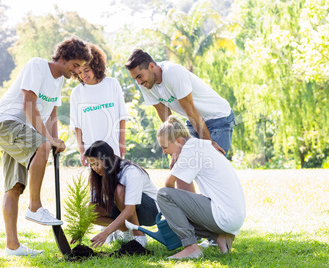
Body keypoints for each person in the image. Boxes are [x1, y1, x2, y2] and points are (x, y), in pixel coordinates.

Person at [0, 36, 92, 256]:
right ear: (63, 57)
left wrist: (56, 140)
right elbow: (28, 104)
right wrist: (48, 142)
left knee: (14, 186)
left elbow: (51, 113)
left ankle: (12, 247)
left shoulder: (59, 81)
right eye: (75, 66)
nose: (76, 72)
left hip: (23, 132)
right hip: (6, 123)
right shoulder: (37, 65)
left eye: (80, 68)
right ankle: (35, 207)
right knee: (42, 146)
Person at [125, 49, 236, 193]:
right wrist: (174, 151)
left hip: (218, 118)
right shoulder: (147, 84)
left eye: (140, 76)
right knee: (181, 170)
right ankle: (190, 212)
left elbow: (190, 110)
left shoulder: (172, 73)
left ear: (152, 66)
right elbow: (166, 117)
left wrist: (208, 144)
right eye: (136, 79)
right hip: (193, 121)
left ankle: (219, 212)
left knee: (212, 169)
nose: (139, 82)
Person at [155, 115, 246, 259]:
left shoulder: (190, 151)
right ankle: (220, 237)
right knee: (177, 204)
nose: (164, 152)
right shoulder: (199, 145)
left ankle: (191, 248)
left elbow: (168, 185)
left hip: (224, 216)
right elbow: (187, 196)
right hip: (233, 217)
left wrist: (172, 213)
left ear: (179, 141)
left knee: (163, 195)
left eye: (165, 147)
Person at [84, 141, 159, 248]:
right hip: (125, 209)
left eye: (96, 164)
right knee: (90, 210)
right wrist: (80, 231)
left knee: (118, 190)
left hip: (150, 212)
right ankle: (126, 230)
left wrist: (106, 232)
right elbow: (93, 204)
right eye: (91, 164)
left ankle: (139, 236)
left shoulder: (130, 171)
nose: (94, 168)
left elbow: (129, 209)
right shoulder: (96, 176)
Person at [70, 43, 129, 166]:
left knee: (115, 181)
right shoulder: (77, 93)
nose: (83, 75)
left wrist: (122, 142)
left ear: (96, 66)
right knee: (96, 183)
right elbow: (77, 126)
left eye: (86, 70)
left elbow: (121, 116)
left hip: (113, 146)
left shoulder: (112, 84)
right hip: (91, 149)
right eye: (79, 72)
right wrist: (82, 151)